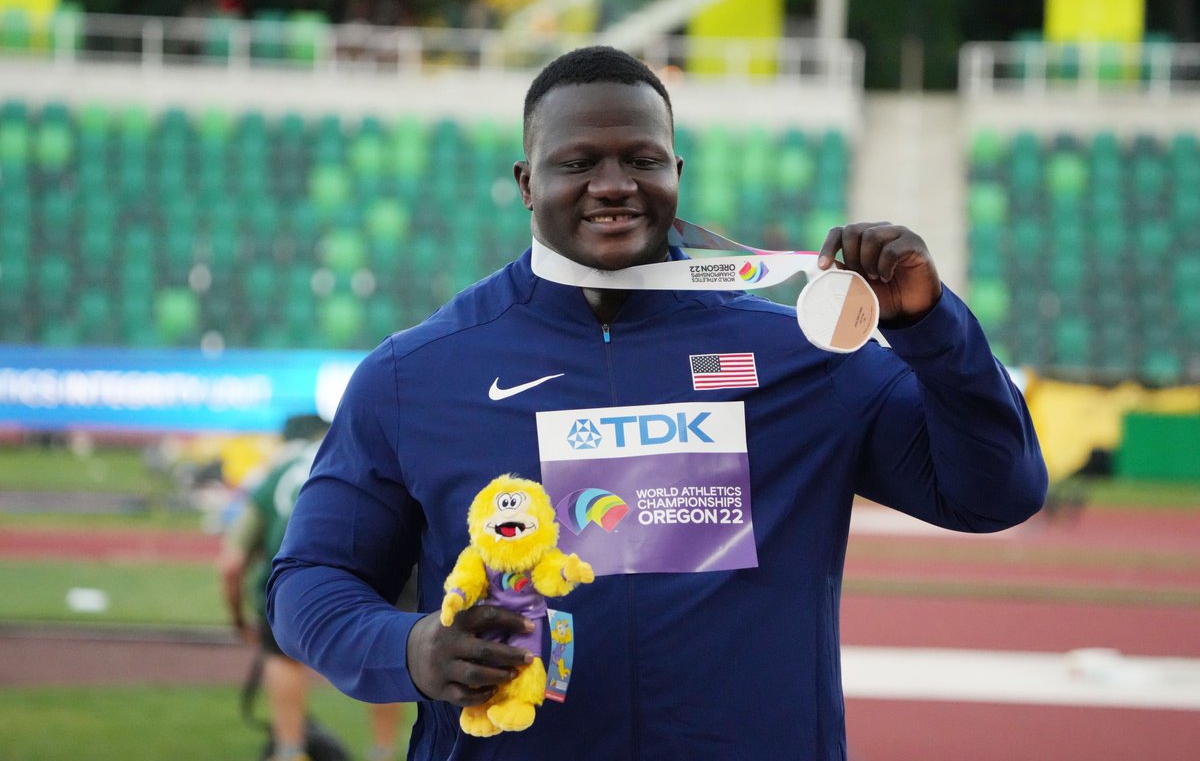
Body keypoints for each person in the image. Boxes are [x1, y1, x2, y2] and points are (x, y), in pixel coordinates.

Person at [268, 46, 1047, 759]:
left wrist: (930, 326)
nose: (614, 184)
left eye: (641, 158)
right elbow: (308, 581)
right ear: (525, 181)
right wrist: (410, 650)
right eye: (578, 162)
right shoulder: (417, 374)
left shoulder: (806, 357)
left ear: (676, 171)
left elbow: (994, 493)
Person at [218, 414, 403, 761]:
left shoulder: (275, 473)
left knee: (283, 655)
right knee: (384, 648)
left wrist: (240, 620)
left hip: (292, 576)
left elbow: (230, 564)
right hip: (369, 561)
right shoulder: (359, 454)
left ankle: (291, 750)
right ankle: (383, 751)